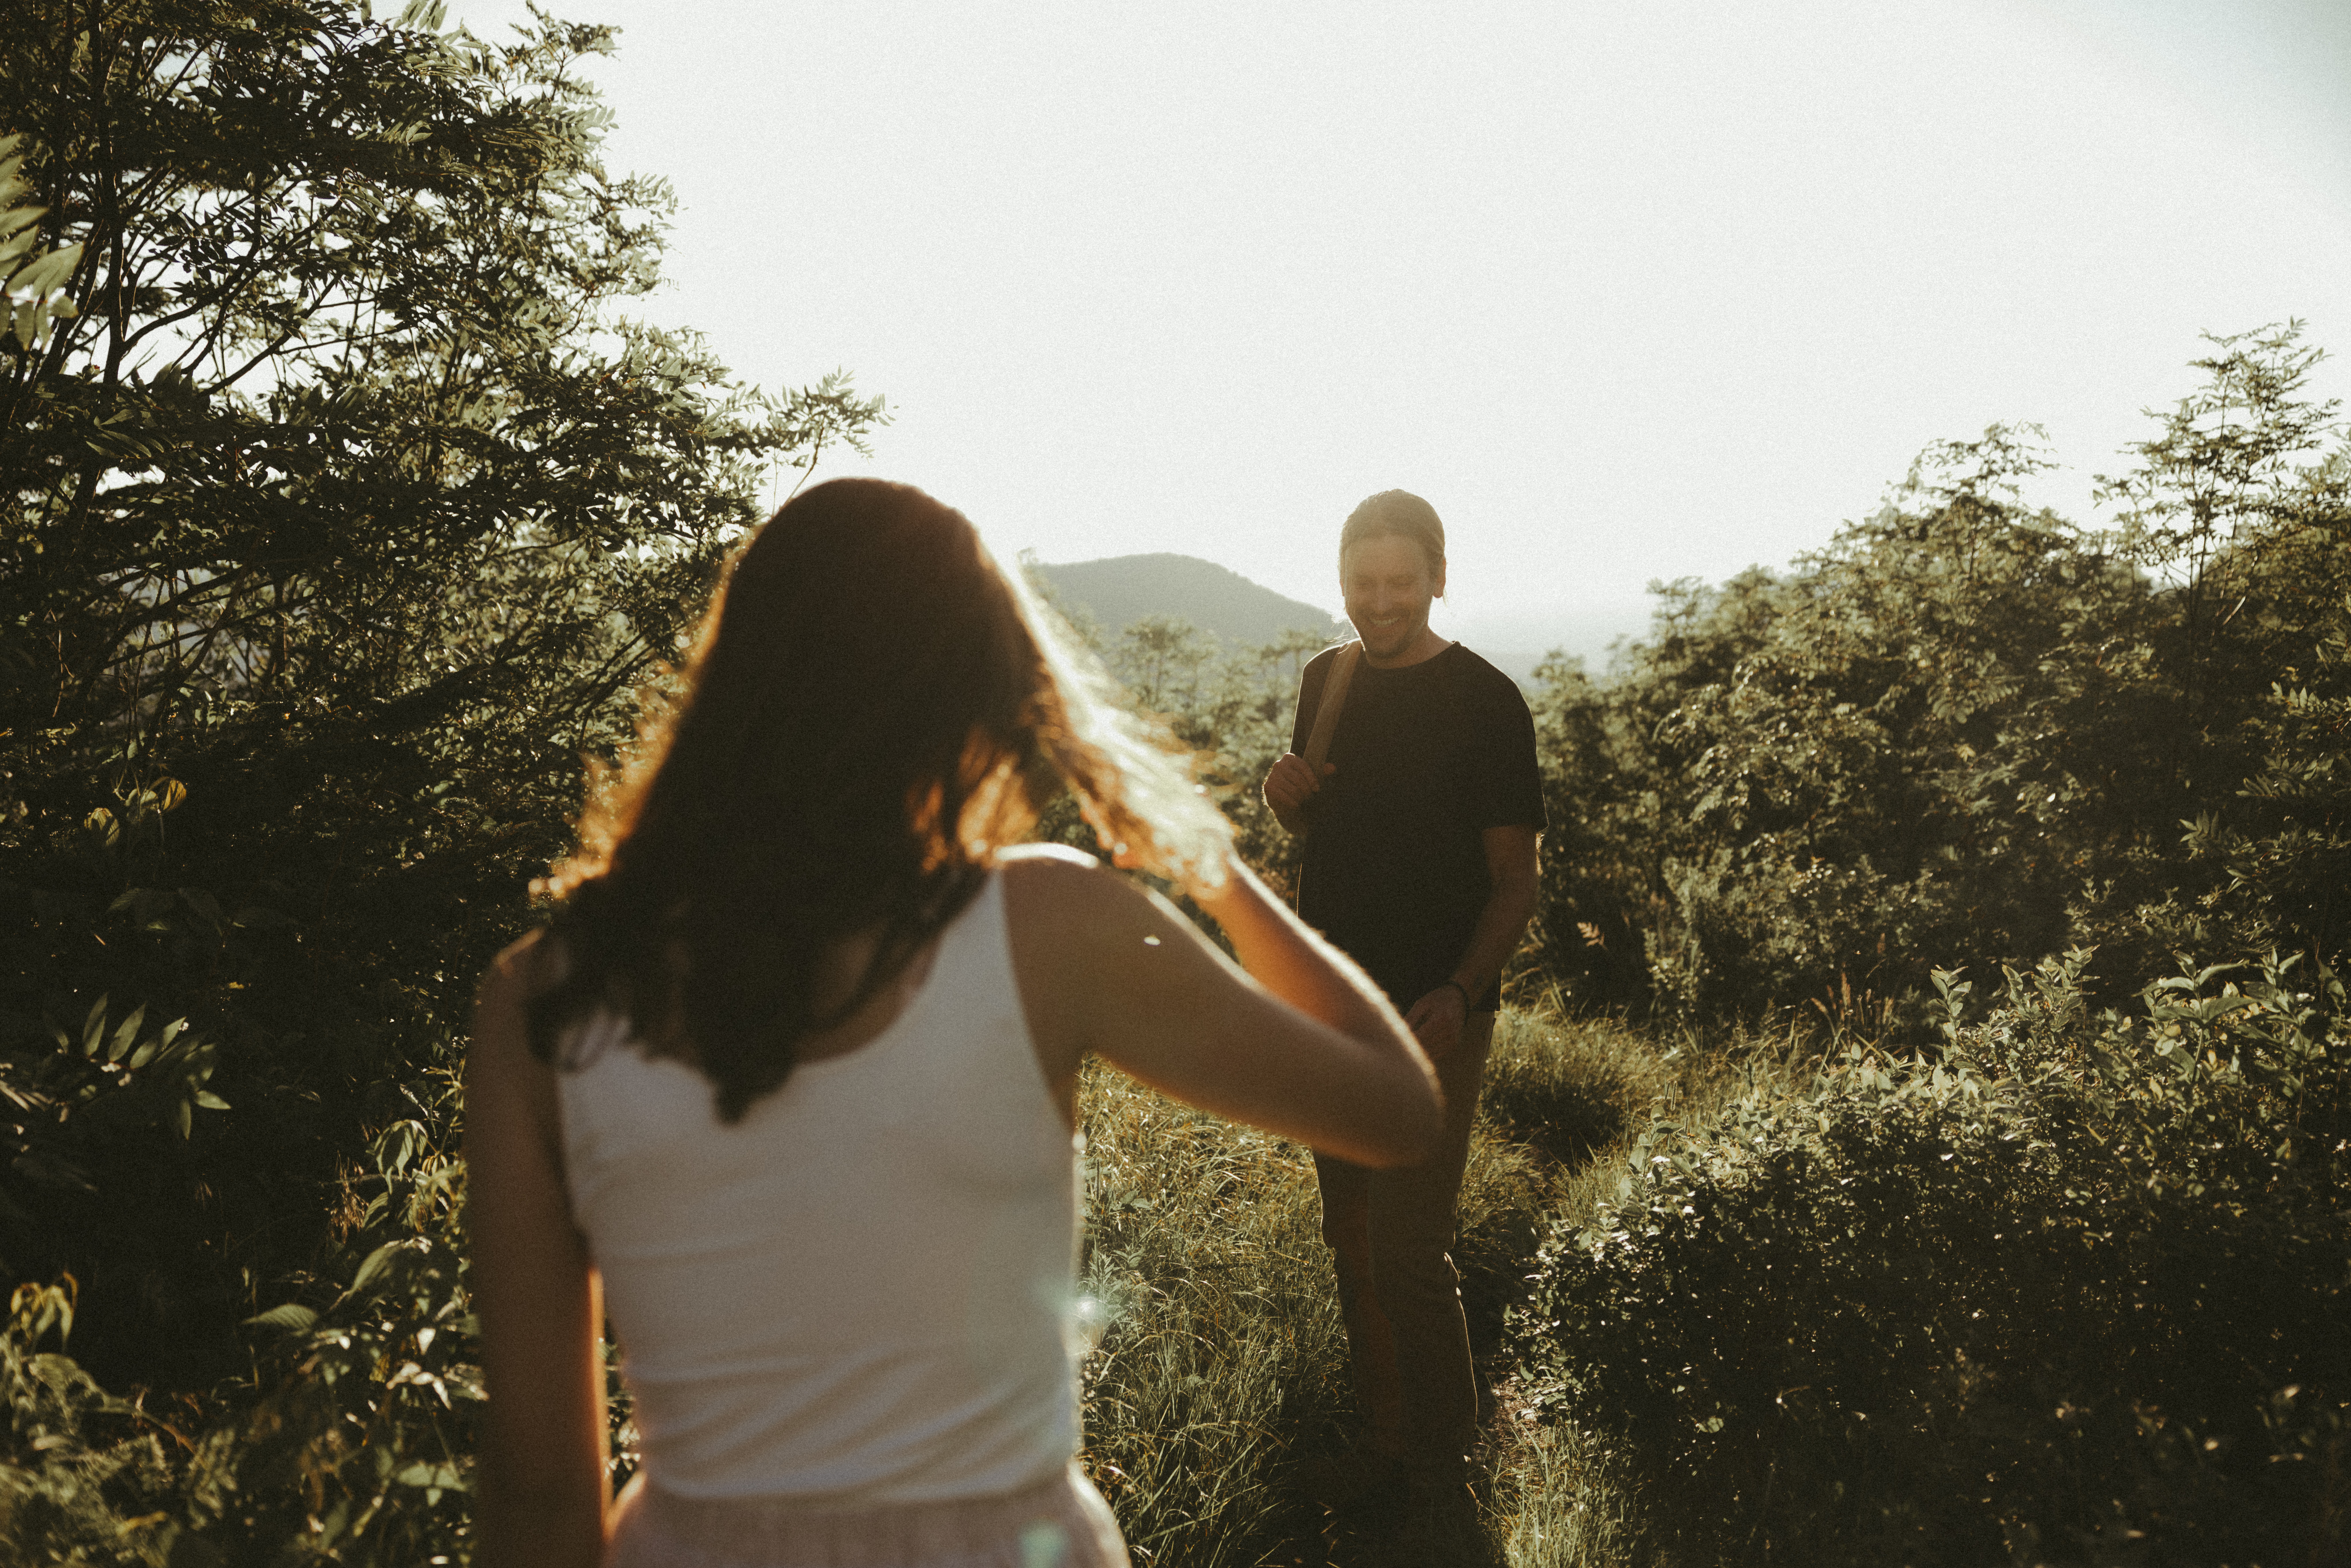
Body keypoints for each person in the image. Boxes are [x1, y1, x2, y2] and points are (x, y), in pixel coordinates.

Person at [464, 478, 1442, 1568]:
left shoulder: (539, 1001)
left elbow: (542, 1492)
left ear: (733, 681)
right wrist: (1216, 873)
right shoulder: (1045, 926)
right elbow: (1397, 1109)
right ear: (969, 693)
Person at [1260, 489, 1544, 1510]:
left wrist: (1461, 994)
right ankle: (1390, 1443)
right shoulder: (1324, 682)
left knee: (1410, 1249)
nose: (1378, 603)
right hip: (1337, 1008)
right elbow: (1323, 832)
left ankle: (1448, 1470)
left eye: (1399, 582)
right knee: (1350, 1237)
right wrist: (1281, 799)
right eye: (1361, 582)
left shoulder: (1485, 701)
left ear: (1437, 578)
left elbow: (1517, 879)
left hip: (1437, 1012)